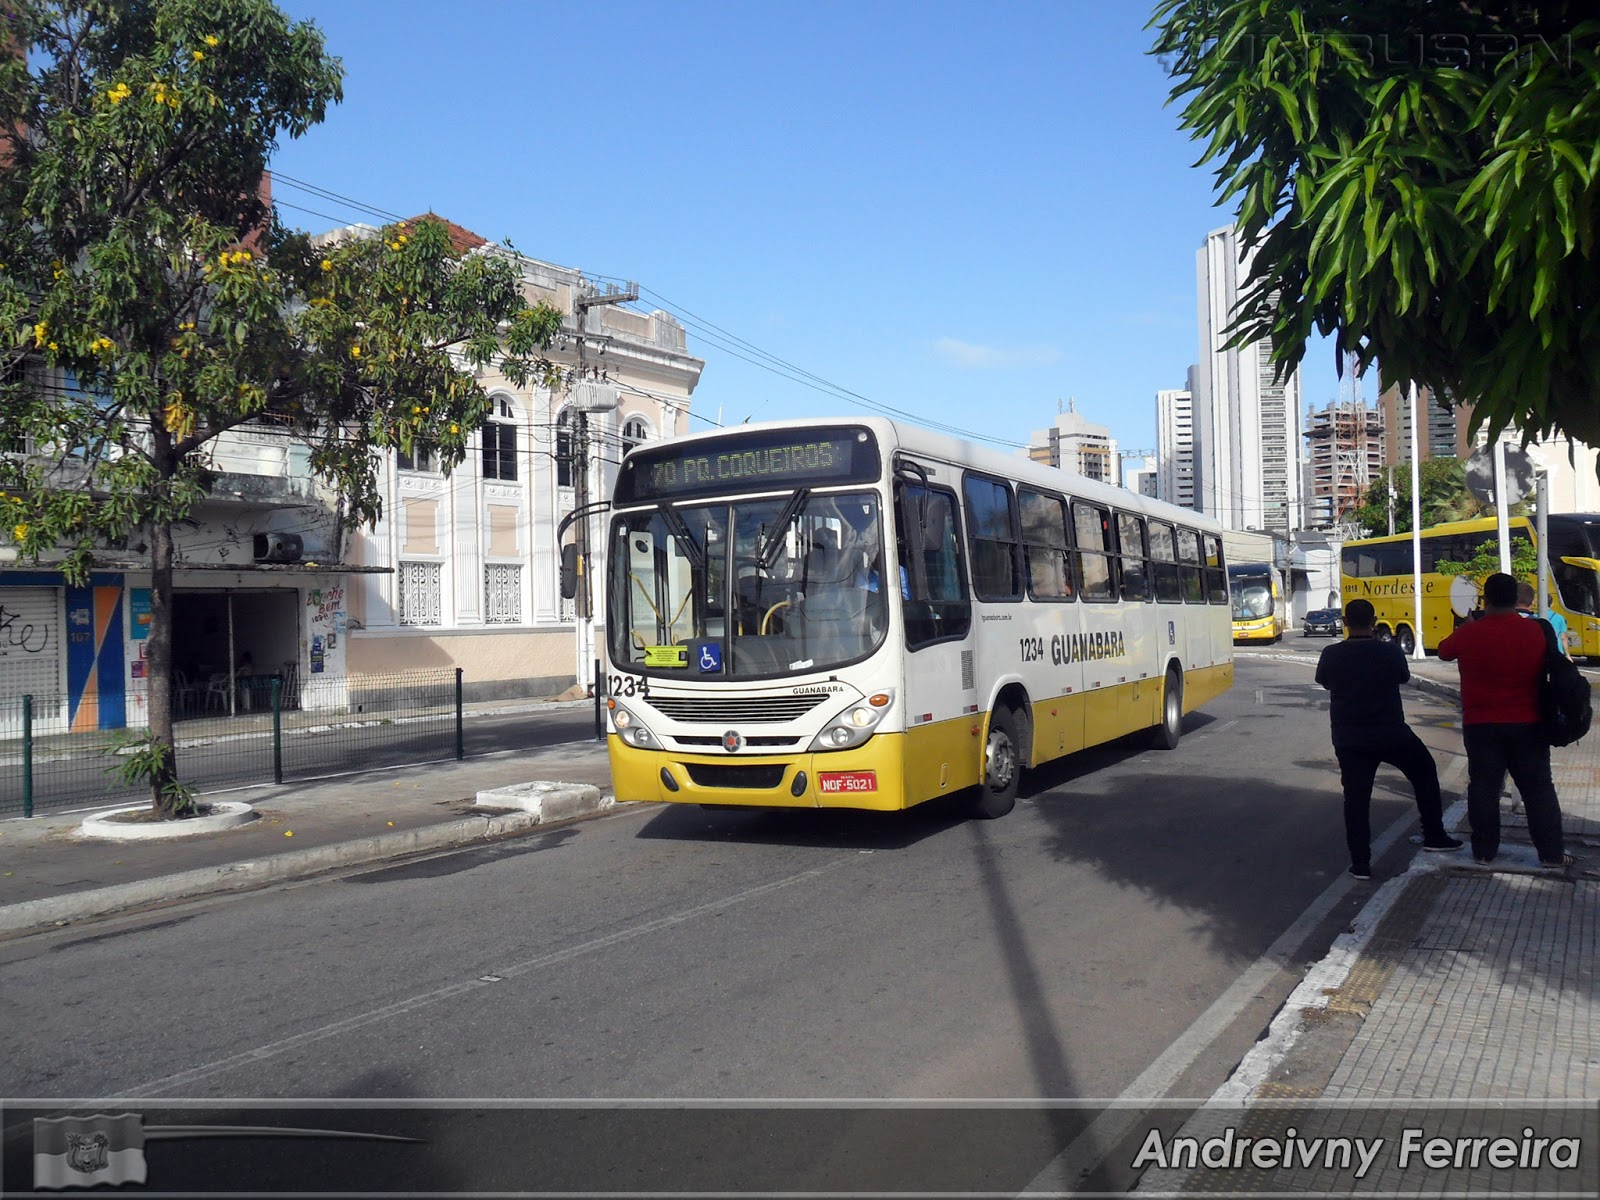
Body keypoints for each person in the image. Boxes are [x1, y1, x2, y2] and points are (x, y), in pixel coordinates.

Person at [1315, 599, 1462, 880]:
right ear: (1374, 622)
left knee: (1356, 800)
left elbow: (1325, 682)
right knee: (1425, 772)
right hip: (1391, 732)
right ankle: (1434, 834)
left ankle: (1361, 864)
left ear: (1345, 623)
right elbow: (1403, 677)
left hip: (1349, 738)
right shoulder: (1390, 651)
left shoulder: (1332, 653)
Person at [1438, 572, 1573, 869]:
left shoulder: (1471, 632)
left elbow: (1444, 651)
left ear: (1485, 599)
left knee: (1484, 788)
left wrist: (1468, 625)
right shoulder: (1536, 631)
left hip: (1481, 725)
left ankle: (1484, 853)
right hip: (1529, 723)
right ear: (1517, 600)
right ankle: (1551, 855)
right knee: (1538, 789)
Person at [1517, 580, 1569, 658]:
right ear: (1532, 601)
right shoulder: (1543, 625)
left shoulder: (1500, 624)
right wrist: (1567, 655)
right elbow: (1563, 638)